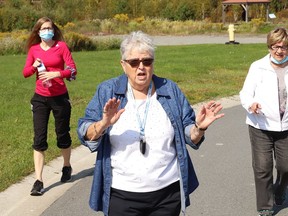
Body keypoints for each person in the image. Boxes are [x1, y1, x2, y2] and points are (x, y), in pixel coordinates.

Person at [77, 31, 224, 216]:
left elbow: (189, 134)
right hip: (122, 195)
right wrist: (103, 123)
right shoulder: (108, 90)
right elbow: (84, 131)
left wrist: (199, 127)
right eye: (134, 62)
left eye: (147, 61)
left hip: (167, 194)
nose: (141, 67)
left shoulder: (169, 89)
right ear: (123, 65)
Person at [22, 17, 77, 196]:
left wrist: (56, 74)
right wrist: (34, 66)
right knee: (39, 138)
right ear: (38, 32)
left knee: (62, 134)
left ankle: (66, 166)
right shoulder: (34, 50)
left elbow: (72, 70)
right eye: (44, 28)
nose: (47, 31)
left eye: (50, 28)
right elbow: (25, 73)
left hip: (60, 97)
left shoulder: (61, 47)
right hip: (40, 98)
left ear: (53, 30)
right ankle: (38, 180)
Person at [240, 27, 288, 216]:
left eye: (284, 47)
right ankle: (265, 206)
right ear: (269, 47)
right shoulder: (257, 66)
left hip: (285, 126)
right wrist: (251, 104)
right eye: (275, 46)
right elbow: (245, 93)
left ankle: (280, 188)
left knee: (286, 166)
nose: (279, 51)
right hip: (261, 125)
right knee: (262, 167)